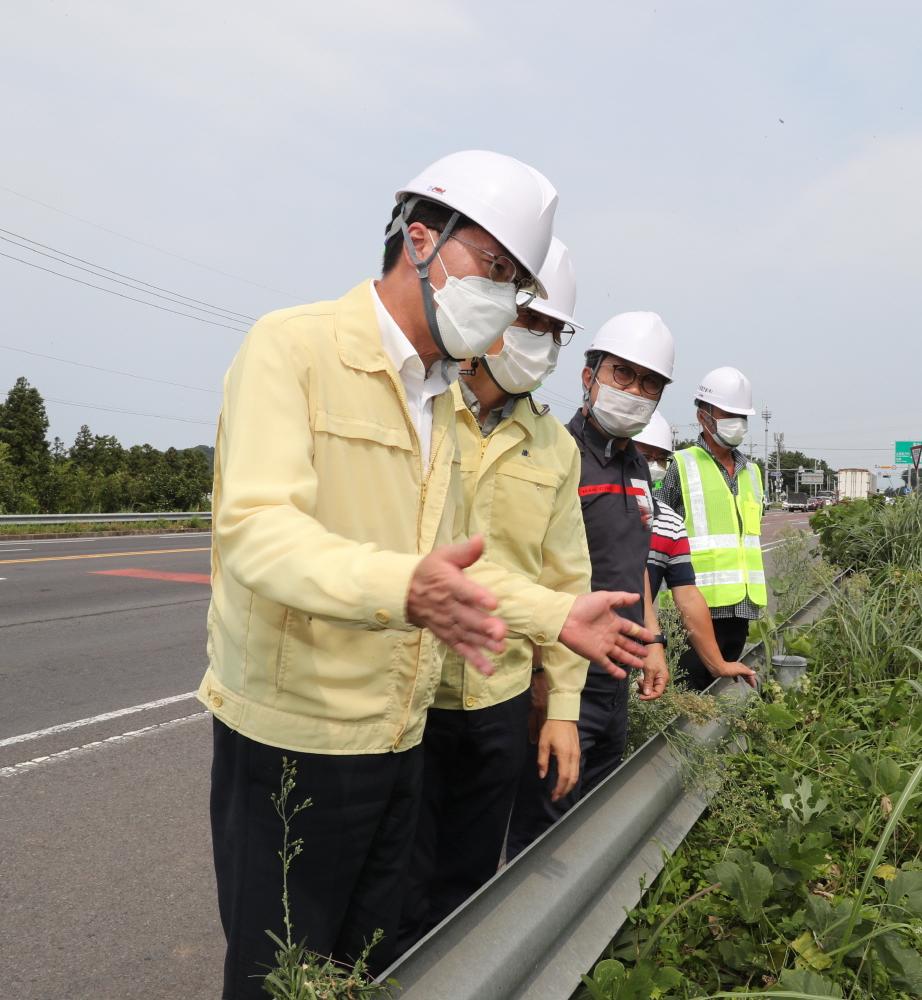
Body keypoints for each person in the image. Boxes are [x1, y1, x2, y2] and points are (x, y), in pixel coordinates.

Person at [200, 151, 654, 999]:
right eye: (493, 269)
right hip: (298, 741)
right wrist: (398, 587)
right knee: (280, 981)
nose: (503, 300)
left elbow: (456, 569)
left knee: (376, 970)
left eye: (516, 286)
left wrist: (555, 619)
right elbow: (256, 533)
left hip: (399, 738)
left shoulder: (438, 399)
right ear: (421, 239)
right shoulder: (291, 348)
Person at [397, 238, 590, 951]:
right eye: (529, 322)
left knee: (469, 894)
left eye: (552, 332)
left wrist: (561, 707)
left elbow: (568, 582)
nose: (538, 343)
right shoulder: (422, 406)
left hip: (500, 701)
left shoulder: (555, 446)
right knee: (398, 897)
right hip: (410, 696)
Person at [507, 312, 675, 858]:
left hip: (615, 676)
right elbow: (533, 573)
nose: (636, 391)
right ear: (588, 376)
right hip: (564, 675)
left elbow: (637, 566)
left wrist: (651, 643)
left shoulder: (638, 466)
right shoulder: (557, 454)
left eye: (650, 383)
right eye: (623, 374)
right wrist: (540, 681)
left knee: (599, 810)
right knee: (546, 825)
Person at [655, 366, 769, 694]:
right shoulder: (679, 465)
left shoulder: (753, 473)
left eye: (742, 415)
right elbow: (656, 534)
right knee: (688, 699)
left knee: (719, 700)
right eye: (728, 413)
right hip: (691, 611)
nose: (738, 422)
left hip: (740, 608)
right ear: (703, 416)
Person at [634, 413, 757, 689]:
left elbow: (686, 594)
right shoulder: (592, 505)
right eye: (644, 456)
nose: (653, 466)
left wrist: (718, 665)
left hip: (634, 643)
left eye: (661, 459)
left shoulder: (668, 522)